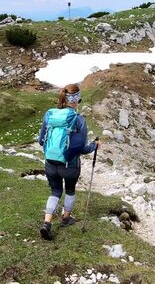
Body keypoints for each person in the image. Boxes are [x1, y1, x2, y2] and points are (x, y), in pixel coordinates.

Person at [37, 84, 99, 240]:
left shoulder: (49, 115)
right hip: (70, 165)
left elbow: (40, 141)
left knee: (55, 191)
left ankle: (47, 223)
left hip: (50, 163)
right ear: (76, 100)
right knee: (70, 190)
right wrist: (94, 145)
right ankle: (66, 218)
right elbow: (83, 149)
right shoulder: (78, 120)